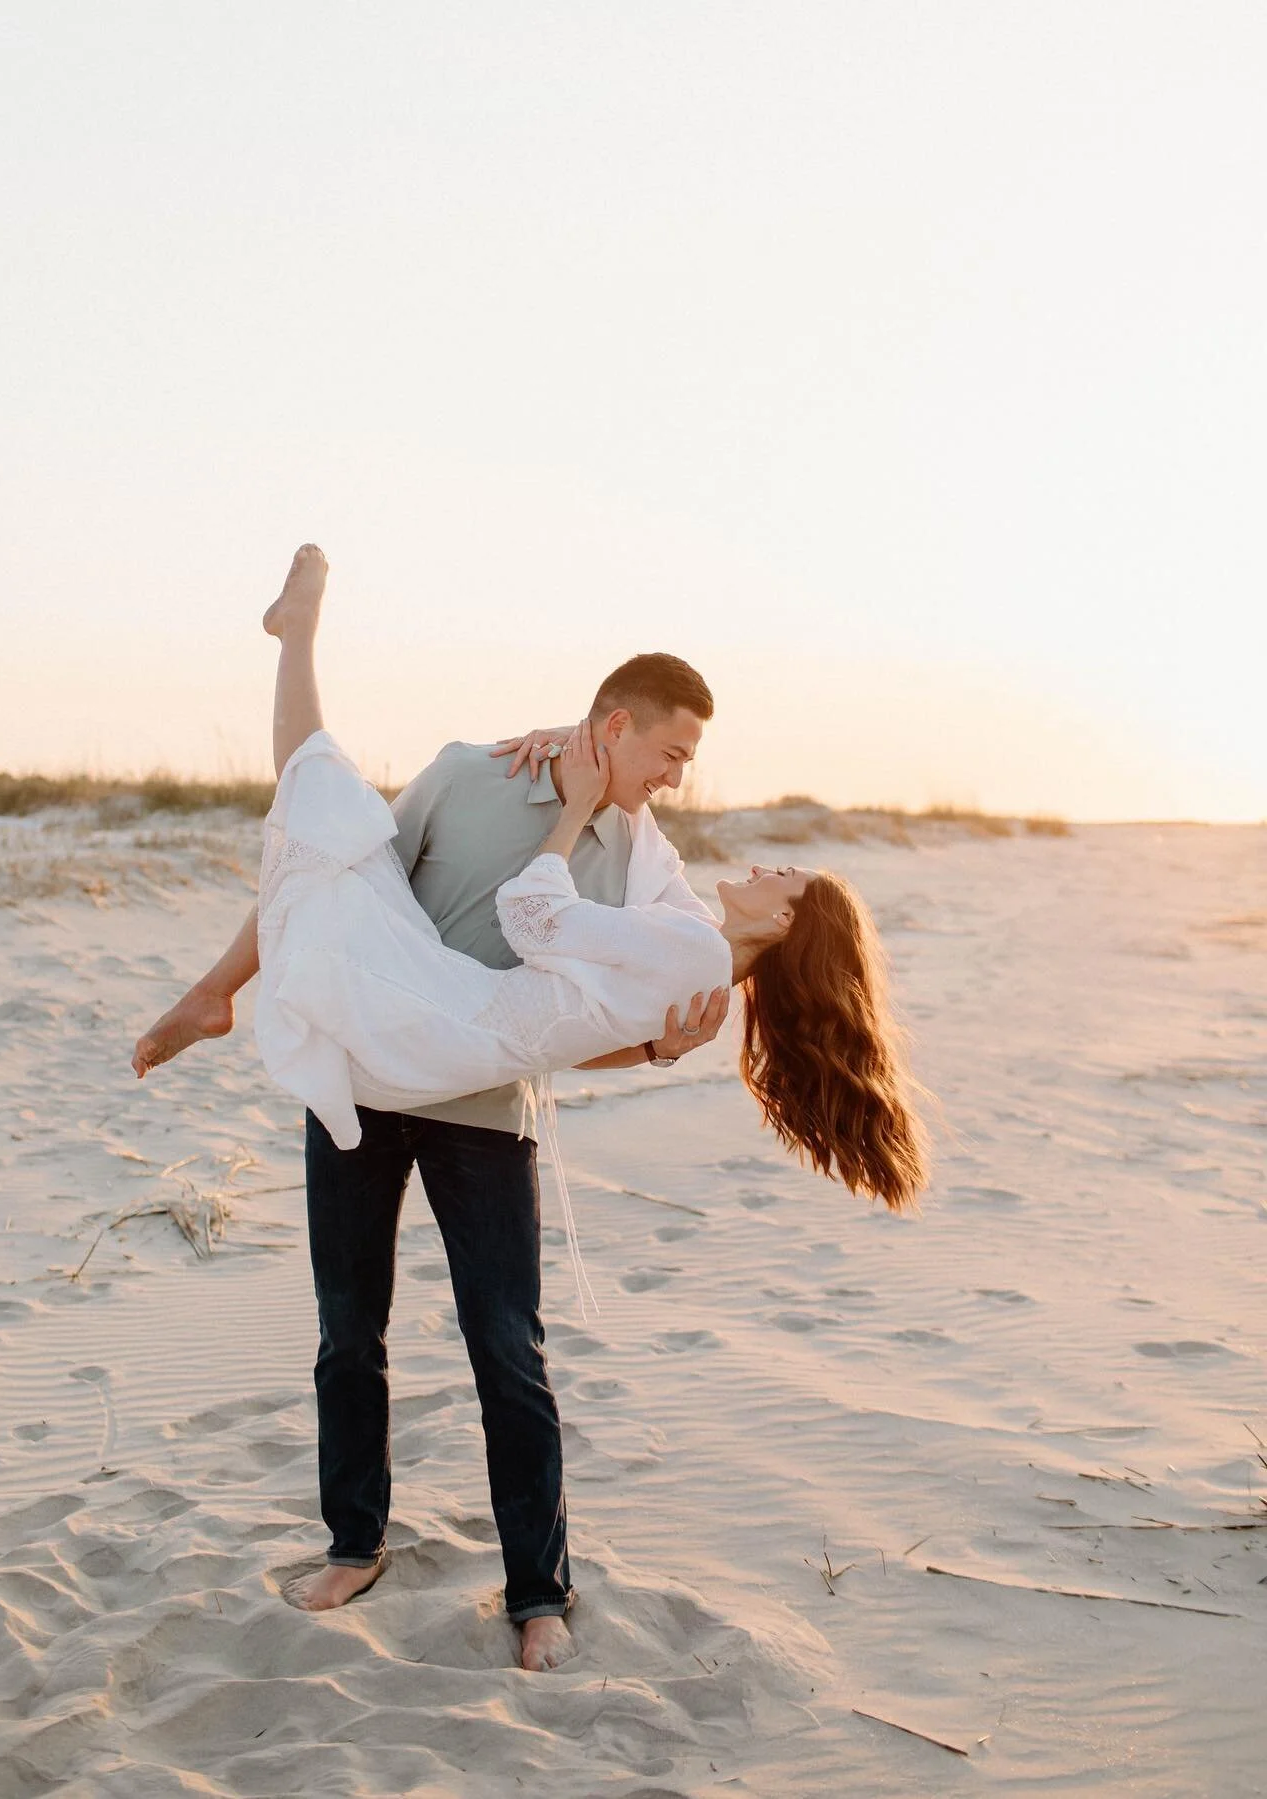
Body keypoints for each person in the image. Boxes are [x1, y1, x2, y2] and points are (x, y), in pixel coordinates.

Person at [134, 543, 928, 1670]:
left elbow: (570, 1029)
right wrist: (227, 980)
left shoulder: (645, 863)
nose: (679, 781)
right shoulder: (468, 772)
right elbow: (330, 894)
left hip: (484, 1109)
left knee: (508, 1348)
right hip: (366, 1075)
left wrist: (653, 1052)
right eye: (670, 751)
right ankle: (353, 1539)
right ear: (611, 723)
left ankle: (536, 1588)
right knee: (346, 1331)